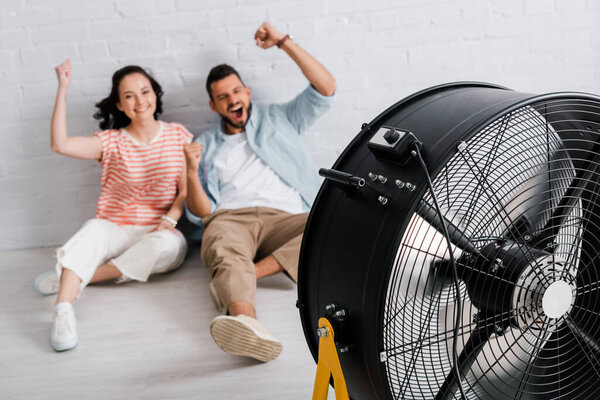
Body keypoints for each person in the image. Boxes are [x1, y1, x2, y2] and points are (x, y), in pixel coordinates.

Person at [184, 22, 336, 362]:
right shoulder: (203, 144)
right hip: (231, 218)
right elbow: (201, 212)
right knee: (221, 243)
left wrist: (283, 41)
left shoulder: (280, 119)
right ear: (213, 106)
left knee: (332, 226)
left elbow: (326, 89)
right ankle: (247, 325)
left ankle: (242, 273)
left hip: (287, 217)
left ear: (247, 92)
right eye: (222, 97)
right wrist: (191, 173)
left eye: (236, 91)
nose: (232, 100)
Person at [34, 59, 192, 352]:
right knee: (92, 229)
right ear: (119, 105)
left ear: (155, 95)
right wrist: (62, 88)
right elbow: (60, 145)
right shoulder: (110, 142)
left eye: (145, 92)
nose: (139, 101)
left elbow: (185, 190)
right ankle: (63, 310)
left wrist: (171, 219)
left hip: (156, 231)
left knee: (168, 249)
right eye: (129, 96)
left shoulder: (177, 135)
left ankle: (74, 275)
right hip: (115, 229)